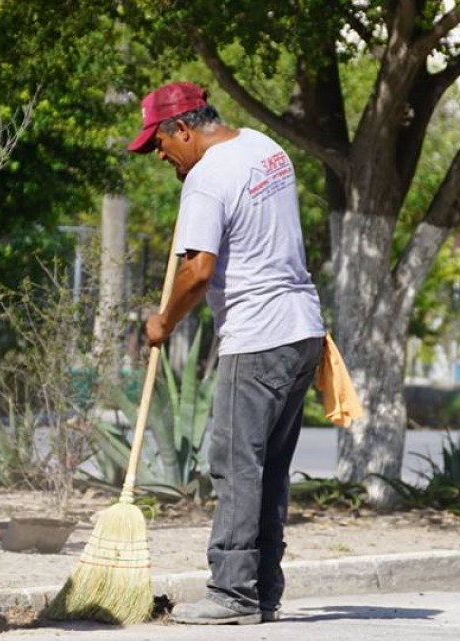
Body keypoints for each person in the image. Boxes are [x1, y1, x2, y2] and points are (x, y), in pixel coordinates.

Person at [129, 82, 326, 624]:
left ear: (183, 129)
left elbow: (198, 269)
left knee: (237, 466)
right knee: (269, 471)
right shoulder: (266, 149)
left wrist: (162, 321)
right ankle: (263, 590)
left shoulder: (207, 178)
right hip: (302, 331)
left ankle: (233, 594)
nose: (160, 156)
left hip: (258, 335)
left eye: (159, 145)